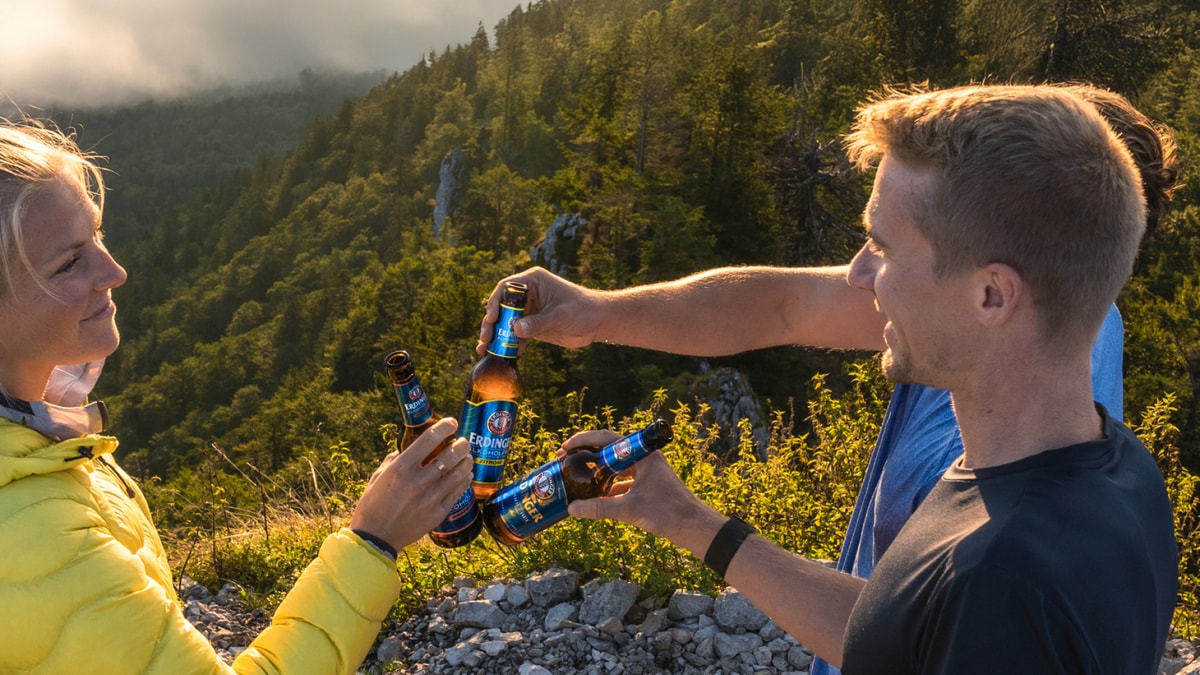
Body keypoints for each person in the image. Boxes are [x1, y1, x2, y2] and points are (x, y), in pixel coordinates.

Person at [491, 85, 1179, 671]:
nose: (856, 275)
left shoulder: (999, 577)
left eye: (881, 246)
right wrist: (677, 511)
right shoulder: (1116, 470)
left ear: (992, 296)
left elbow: (949, 622)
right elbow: (908, 635)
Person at [0, 118, 473, 673]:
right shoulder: (36, 527)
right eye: (70, 261)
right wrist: (374, 536)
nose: (116, 270)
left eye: (98, 235)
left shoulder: (40, 437)